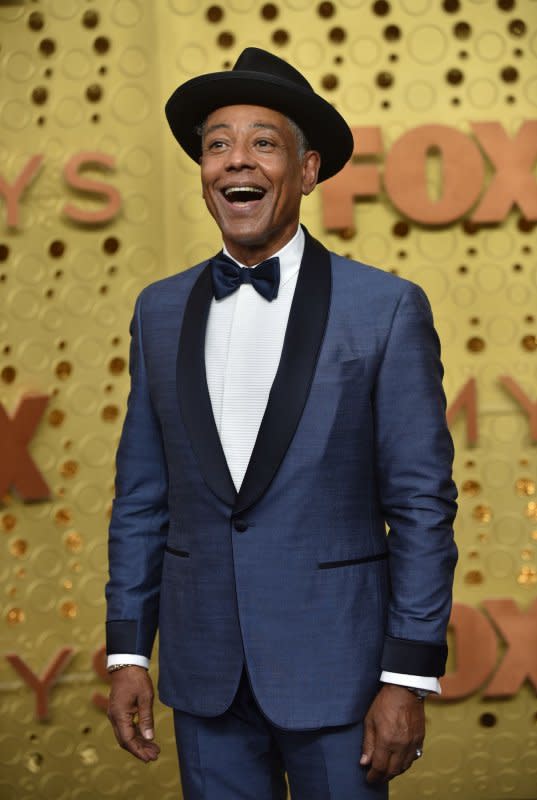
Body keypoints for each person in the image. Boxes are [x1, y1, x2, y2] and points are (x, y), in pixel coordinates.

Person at [105, 47, 458, 800]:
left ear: (307, 170)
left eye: (265, 142)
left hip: (345, 680)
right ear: (203, 170)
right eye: (218, 143)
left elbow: (422, 507)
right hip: (204, 679)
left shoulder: (386, 308)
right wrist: (128, 654)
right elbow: (142, 497)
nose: (239, 159)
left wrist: (408, 674)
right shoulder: (157, 312)